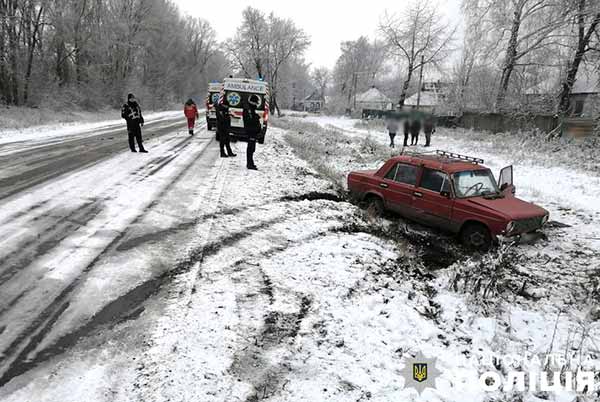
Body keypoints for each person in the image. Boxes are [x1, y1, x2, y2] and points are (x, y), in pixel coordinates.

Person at [242, 95, 262, 170]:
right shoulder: (248, 109)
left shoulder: (250, 109)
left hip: (252, 131)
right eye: (256, 102)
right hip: (251, 131)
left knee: (252, 148)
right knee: (250, 148)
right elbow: (249, 120)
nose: (257, 104)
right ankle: (249, 164)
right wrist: (256, 117)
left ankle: (250, 163)